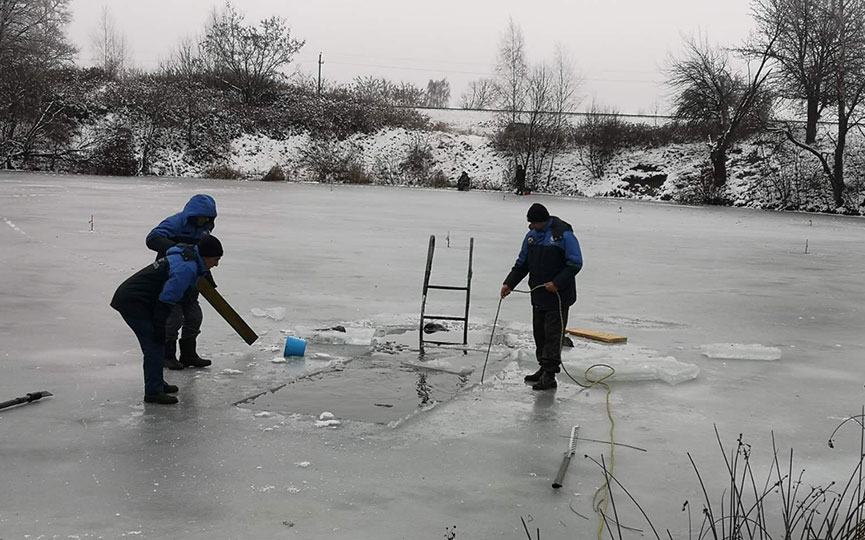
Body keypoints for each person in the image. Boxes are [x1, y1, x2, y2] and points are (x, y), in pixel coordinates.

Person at [111, 235, 224, 404]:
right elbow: (167, 299)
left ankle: (156, 383)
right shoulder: (186, 268)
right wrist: (159, 325)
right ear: (206, 256)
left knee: (157, 342)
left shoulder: (190, 260)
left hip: (142, 300)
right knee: (154, 344)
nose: (216, 264)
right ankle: (153, 392)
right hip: (132, 301)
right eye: (216, 259)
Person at [501, 203, 583, 390]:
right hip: (538, 294)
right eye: (530, 223)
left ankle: (550, 375)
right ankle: (543, 368)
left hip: (558, 296)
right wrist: (509, 284)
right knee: (540, 334)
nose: (532, 226)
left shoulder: (563, 235)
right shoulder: (531, 237)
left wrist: (557, 283)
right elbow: (522, 264)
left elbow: (575, 263)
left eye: (534, 223)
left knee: (553, 335)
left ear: (543, 220)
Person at [145, 194, 217, 370]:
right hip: (172, 275)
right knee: (173, 318)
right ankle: (167, 355)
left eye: (208, 217)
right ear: (192, 215)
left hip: (192, 278)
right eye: (202, 217)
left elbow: (203, 254)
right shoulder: (175, 223)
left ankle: (188, 355)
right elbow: (152, 239)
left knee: (194, 316)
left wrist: (207, 276)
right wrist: (178, 248)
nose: (205, 220)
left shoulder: (205, 229)